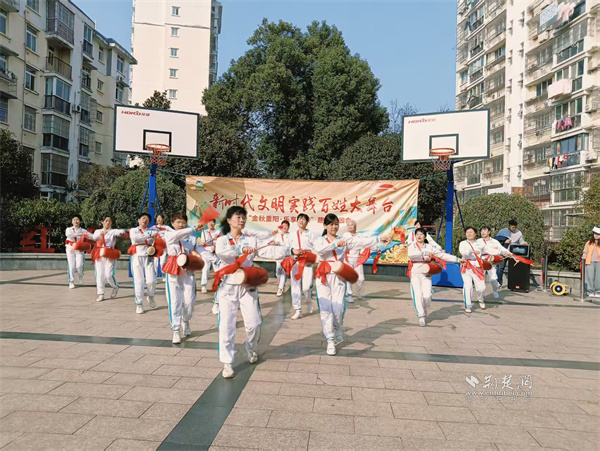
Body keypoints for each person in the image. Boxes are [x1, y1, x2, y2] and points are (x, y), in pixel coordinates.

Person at [215, 206, 287, 378]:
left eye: (243, 217)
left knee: (254, 323)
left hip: (247, 285)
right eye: (238, 217)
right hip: (228, 287)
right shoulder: (222, 240)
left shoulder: (251, 240)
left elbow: (267, 250)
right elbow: (222, 254)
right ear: (229, 220)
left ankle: (250, 348)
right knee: (227, 325)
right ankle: (227, 363)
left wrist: (289, 251)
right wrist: (240, 250)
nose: (241, 220)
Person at [313, 213, 390, 356]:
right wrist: (335, 244)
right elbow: (320, 250)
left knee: (338, 309)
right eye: (331, 224)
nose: (334, 226)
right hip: (323, 275)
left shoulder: (344, 240)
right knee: (325, 309)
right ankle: (330, 340)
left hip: (339, 276)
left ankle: (337, 327)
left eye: (336, 224)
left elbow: (361, 242)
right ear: (325, 226)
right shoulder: (320, 240)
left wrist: (378, 239)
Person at [162, 212, 205, 344]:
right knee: (175, 301)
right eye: (178, 222)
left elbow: (201, 250)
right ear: (172, 223)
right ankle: (176, 330)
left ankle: (185, 321)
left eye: (183, 222)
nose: (181, 224)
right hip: (173, 269)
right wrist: (193, 228)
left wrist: (216, 259)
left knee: (189, 301)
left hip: (188, 270)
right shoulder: (169, 234)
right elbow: (178, 235)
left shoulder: (192, 238)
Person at [408, 227, 465, 326]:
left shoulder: (429, 247)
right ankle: (421, 316)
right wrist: (424, 253)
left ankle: (424, 309)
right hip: (415, 272)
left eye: (421, 234)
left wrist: (458, 260)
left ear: (425, 236)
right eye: (417, 234)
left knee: (427, 296)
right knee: (418, 294)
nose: (419, 236)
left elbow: (442, 255)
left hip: (427, 272)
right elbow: (411, 255)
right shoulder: (412, 246)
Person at [288, 214, 316, 319]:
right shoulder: (292, 234)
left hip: (307, 261)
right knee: (295, 286)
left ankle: (309, 300)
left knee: (306, 287)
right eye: (299, 219)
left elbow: (317, 246)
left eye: (303, 219)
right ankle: (298, 309)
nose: (301, 221)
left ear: (307, 222)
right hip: (295, 261)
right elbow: (287, 247)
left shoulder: (311, 234)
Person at [129, 212, 159, 314]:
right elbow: (136, 238)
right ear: (138, 220)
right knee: (139, 281)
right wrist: (150, 235)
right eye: (143, 218)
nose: (145, 220)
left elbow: (159, 237)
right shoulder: (134, 230)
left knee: (152, 280)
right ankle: (139, 304)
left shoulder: (153, 230)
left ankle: (151, 296)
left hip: (149, 257)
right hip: (137, 257)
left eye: (147, 219)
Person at [92, 217, 126, 301]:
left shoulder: (113, 231)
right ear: (102, 222)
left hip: (109, 254)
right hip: (99, 255)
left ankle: (115, 286)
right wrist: (103, 233)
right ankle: (101, 294)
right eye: (106, 221)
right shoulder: (98, 231)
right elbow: (95, 238)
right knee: (100, 275)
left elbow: (121, 232)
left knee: (108, 275)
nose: (108, 222)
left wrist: (124, 231)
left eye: (110, 221)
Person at [459, 227, 492, 313]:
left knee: (481, 288)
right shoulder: (463, 243)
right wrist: (472, 250)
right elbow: (463, 253)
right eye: (467, 232)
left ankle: (480, 299)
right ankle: (468, 305)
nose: (469, 234)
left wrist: (504, 254)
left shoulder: (480, 243)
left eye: (471, 232)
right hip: (466, 266)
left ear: (475, 234)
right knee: (468, 286)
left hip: (477, 266)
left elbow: (489, 251)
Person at [477, 226, 515, 299]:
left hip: (491, 263)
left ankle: (495, 290)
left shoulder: (494, 242)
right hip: (481, 262)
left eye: (484, 230)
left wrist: (512, 255)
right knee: (480, 280)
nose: (482, 232)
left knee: (493, 279)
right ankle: (480, 295)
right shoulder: (478, 241)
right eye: (481, 231)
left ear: (489, 232)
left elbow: (502, 249)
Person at [342, 218, 371, 303]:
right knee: (349, 278)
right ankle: (349, 295)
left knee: (361, 278)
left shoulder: (360, 236)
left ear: (355, 226)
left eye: (352, 225)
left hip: (358, 259)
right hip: (348, 259)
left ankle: (359, 293)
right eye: (348, 225)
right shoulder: (345, 235)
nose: (350, 227)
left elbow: (366, 243)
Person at [65, 215, 94, 289]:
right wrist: (79, 234)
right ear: (72, 221)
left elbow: (92, 236)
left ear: (80, 221)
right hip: (70, 247)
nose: (75, 221)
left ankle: (80, 276)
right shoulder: (69, 229)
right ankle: (71, 282)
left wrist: (100, 236)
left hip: (79, 248)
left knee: (79, 265)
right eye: (74, 219)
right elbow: (68, 235)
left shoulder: (83, 230)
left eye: (77, 219)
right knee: (71, 266)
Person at [496, 219, 526, 286]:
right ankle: (499, 282)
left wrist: (524, 243)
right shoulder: (502, 231)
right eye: (512, 227)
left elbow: (521, 241)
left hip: (513, 253)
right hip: (504, 252)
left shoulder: (519, 233)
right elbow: (496, 241)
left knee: (514, 267)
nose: (514, 229)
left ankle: (513, 282)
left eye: (515, 227)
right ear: (509, 226)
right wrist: (504, 241)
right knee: (501, 267)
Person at [199, 219, 221, 297]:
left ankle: (219, 285)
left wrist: (214, 244)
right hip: (206, 252)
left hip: (215, 251)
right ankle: (203, 286)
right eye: (209, 222)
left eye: (212, 222)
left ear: (215, 223)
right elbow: (203, 241)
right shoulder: (204, 232)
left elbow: (219, 241)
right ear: (207, 224)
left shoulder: (218, 232)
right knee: (205, 269)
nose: (211, 224)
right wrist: (212, 239)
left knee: (217, 269)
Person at [153, 214, 173, 283]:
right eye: (157, 218)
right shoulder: (153, 227)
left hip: (164, 247)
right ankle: (154, 277)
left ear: (163, 219)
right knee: (155, 263)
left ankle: (164, 276)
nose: (158, 219)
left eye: (160, 218)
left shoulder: (167, 227)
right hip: (155, 247)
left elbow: (174, 233)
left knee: (162, 262)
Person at [274, 220, 291, 297]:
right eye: (283, 225)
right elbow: (273, 242)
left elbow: (288, 245)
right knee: (278, 273)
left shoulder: (290, 236)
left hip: (286, 256)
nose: (284, 227)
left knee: (284, 273)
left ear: (288, 227)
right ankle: (281, 285)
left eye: (286, 226)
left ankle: (280, 288)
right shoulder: (277, 235)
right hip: (278, 256)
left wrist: (280, 243)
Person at [582, 227, 600, 298]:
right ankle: (590, 292)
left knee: (598, 278)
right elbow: (585, 251)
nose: (596, 235)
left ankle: (598, 292)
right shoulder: (589, 242)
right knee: (589, 277)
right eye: (595, 234)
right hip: (590, 262)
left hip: (599, 262)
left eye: (598, 234)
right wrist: (583, 258)